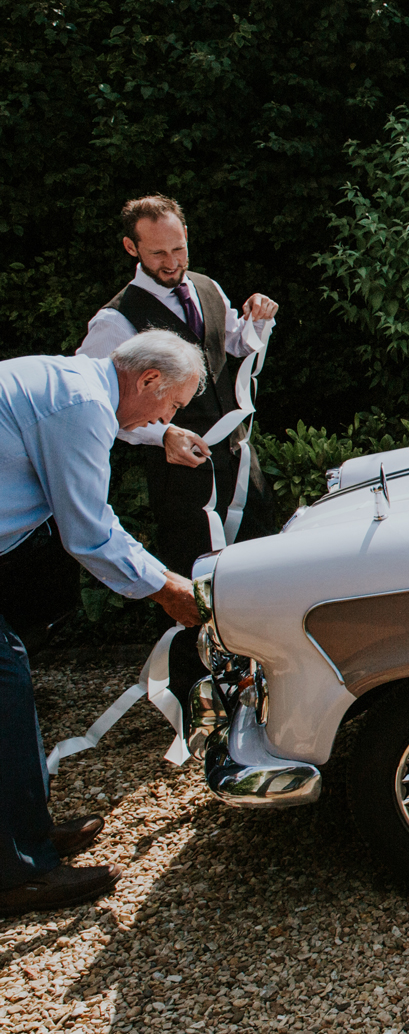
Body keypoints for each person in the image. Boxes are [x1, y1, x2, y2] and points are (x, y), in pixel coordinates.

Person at [1, 331, 203, 915]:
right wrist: (168, 588)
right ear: (145, 381)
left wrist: (161, 432)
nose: (166, 418)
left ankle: (26, 833)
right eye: (171, 405)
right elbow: (88, 529)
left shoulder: (73, 382)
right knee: (6, 686)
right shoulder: (81, 406)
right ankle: (19, 871)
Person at [76, 197, 280, 578]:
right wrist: (163, 434)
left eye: (178, 248)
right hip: (182, 477)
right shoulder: (114, 320)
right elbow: (92, 400)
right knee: (198, 576)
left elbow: (233, 343)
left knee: (262, 563)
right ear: (131, 248)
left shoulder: (208, 287)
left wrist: (258, 316)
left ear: (186, 234)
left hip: (239, 461)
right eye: (157, 254)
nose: (171, 263)